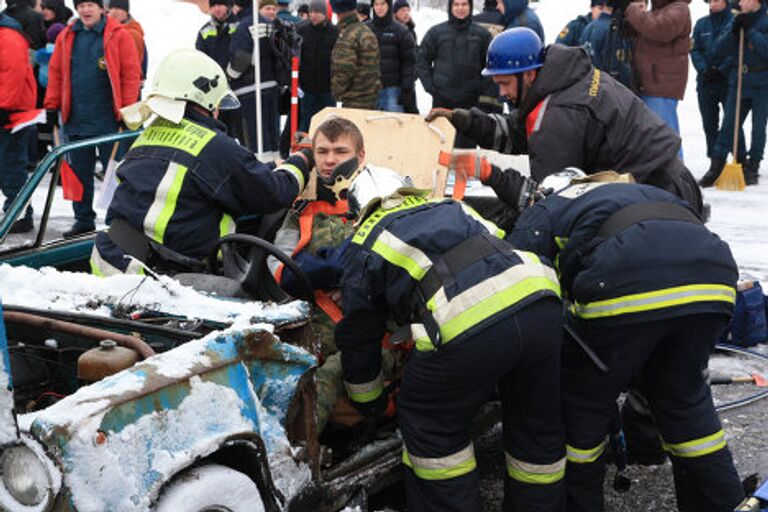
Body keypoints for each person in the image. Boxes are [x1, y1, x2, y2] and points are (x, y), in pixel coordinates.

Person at [508, 173, 745, 512]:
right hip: (713, 279)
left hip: (627, 280)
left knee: (581, 409)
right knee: (685, 403)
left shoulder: (545, 209)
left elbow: (517, 282)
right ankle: (722, 504)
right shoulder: (631, 191)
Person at [336, 166, 566, 512]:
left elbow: (358, 334)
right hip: (541, 301)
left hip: (468, 323)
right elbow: (499, 245)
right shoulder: (452, 206)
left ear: (358, 210)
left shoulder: (365, 239)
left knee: (432, 425)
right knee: (536, 428)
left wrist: (369, 401)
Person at [426, 27, 703, 214]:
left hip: (660, 193)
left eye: (505, 83)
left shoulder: (562, 112)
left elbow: (544, 202)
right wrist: (466, 121)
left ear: (529, 74)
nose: (501, 92)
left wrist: (487, 172)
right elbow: (519, 132)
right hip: (665, 179)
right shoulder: (561, 81)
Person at [91, 48, 311, 276]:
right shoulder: (214, 146)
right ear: (207, 101)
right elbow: (272, 192)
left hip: (109, 264)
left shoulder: (148, 136)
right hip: (152, 280)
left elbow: (229, 174)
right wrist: (302, 161)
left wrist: (273, 167)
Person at [44, 0, 141, 238]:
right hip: (76, 120)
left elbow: (130, 74)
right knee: (78, 175)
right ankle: (83, 219)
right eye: (82, 5)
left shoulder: (118, 35)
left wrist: (127, 112)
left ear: (101, 8)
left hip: (109, 120)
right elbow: (56, 72)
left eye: (91, 5)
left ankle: (115, 220)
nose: (86, 10)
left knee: (114, 175)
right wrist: (50, 106)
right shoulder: (67, 36)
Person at [702, 0, 768, 186]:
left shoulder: (765, 21)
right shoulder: (736, 19)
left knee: (758, 127)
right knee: (729, 124)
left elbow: (765, 50)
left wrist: (751, 32)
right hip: (740, 80)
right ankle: (717, 164)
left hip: (762, 81)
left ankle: (753, 165)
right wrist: (733, 32)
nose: (740, 2)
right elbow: (717, 50)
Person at [417, 0, 492, 147]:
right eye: (456, 4)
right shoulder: (436, 33)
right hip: (442, 100)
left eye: (464, 4)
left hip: (469, 101)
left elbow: (490, 64)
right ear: (450, 7)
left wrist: (480, 86)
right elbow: (422, 60)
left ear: (470, 7)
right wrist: (430, 87)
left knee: (466, 146)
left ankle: (465, 170)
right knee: (440, 142)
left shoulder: (482, 34)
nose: (460, 8)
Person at [624, 0, 692, 141]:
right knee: (652, 138)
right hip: (648, 84)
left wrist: (630, 8)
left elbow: (659, 28)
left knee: (664, 137)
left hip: (661, 86)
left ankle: (674, 163)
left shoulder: (680, 9)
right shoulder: (657, 12)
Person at [691, 0, 745, 168]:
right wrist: (704, 69)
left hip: (727, 80)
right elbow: (694, 49)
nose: (712, 4)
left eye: (716, 1)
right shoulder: (702, 24)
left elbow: (737, 49)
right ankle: (715, 160)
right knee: (709, 123)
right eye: (710, 1)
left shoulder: (735, 22)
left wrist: (721, 69)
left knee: (731, 122)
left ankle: (740, 158)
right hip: (706, 81)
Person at [228, 0, 282, 157]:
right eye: (268, 8)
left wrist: (230, 76)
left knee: (253, 134)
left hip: (249, 88)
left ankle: (259, 167)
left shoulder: (247, 25)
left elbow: (241, 58)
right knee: (271, 132)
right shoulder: (273, 25)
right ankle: (273, 165)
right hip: (271, 86)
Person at [0, 11, 38, 234]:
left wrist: (3, 106)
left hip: (12, 112)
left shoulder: (8, 36)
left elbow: (12, 73)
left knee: (11, 165)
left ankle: (21, 215)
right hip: (7, 109)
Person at [196, 0, 240, 137]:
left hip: (237, 82)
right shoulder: (204, 31)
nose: (216, 9)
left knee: (239, 127)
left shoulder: (239, 25)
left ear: (228, 6)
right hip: (215, 87)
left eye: (220, 4)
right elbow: (200, 58)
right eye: (213, 6)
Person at [330, 0, 382, 110]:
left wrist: (337, 93)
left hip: (354, 101)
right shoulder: (367, 31)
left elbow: (344, 69)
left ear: (337, 12)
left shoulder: (347, 35)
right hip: (373, 97)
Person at [366, 0, 416, 112]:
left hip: (393, 89)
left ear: (389, 5)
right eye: (376, 4)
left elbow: (409, 62)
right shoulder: (364, 29)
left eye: (383, 4)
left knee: (394, 125)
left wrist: (407, 88)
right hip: (369, 90)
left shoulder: (401, 31)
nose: (379, 7)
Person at [296, 0, 338, 131]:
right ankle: (304, 148)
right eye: (311, 12)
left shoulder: (334, 32)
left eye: (317, 12)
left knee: (329, 121)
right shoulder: (301, 30)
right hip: (307, 87)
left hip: (328, 87)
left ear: (325, 14)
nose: (313, 15)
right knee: (306, 120)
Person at [580, 1, 634, 89]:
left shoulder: (589, 26)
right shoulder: (613, 29)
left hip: (588, 87)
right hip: (608, 89)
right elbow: (618, 68)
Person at [107, 0, 146, 79]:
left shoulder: (133, 34)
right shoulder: (105, 29)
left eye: (118, 8)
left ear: (126, 12)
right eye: (112, 8)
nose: (114, 12)